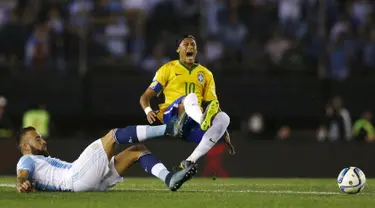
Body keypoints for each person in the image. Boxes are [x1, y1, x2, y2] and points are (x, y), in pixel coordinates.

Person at [15, 120, 196, 193]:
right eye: (37, 139)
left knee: (137, 150)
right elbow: (22, 175)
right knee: (113, 135)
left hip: (88, 183)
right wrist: (21, 183)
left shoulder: (41, 160)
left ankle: (169, 178)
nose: (43, 141)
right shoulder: (26, 159)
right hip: (75, 178)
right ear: (25, 146)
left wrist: (27, 185)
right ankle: (169, 128)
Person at [139, 35, 235, 170]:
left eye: (193, 45)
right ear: (178, 49)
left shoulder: (206, 74)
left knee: (224, 118)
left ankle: (189, 161)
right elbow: (144, 97)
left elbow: (213, 105)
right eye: (186, 44)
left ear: (196, 50)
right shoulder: (168, 68)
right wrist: (148, 111)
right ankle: (202, 120)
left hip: (191, 124)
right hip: (172, 116)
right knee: (190, 97)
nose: (190, 47)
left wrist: (223, 131)